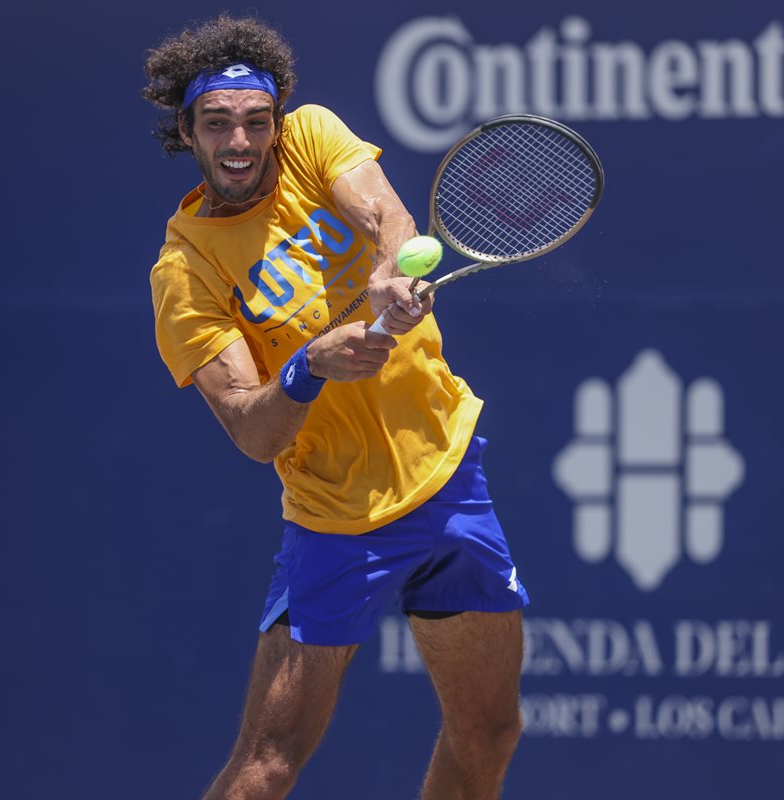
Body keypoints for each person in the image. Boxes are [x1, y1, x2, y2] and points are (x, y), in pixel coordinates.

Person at [143, 15, 529, 800]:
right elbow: (251, 429)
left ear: (278, 119)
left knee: (489, 732)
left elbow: (388, 217)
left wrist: (388, 276)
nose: (240, 141)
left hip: (449, 478)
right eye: (216, 123)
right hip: (337, 520)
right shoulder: (185, 271)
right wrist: (306, 369)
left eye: (257, 120)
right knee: (267, 765)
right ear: (186, 131)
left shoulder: (314, 135)